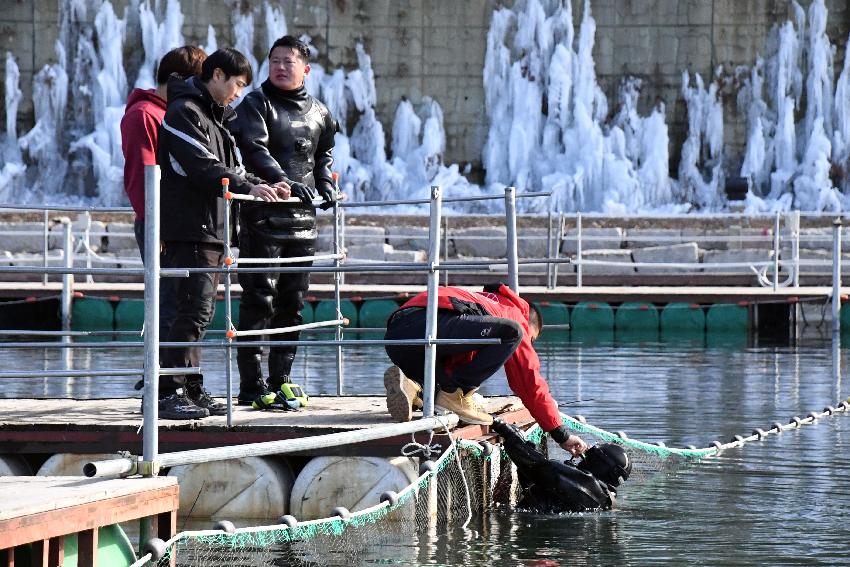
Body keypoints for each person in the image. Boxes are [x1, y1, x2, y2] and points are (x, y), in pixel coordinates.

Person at [156, 48, 286, 420]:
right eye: (236, 84)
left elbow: (230, 168)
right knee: (190, 310)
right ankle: (170, 390)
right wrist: (249, 185)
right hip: (189, 229)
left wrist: (264, 184)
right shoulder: (184, 113)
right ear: (216, 75)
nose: (238, 94)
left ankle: (191, 386)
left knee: (200, 312)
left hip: (209, 229)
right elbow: (203, 167)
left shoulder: (213, 117)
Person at [228, 35, 337, 410]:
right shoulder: (255, 104)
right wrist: (285, 183)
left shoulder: (320, 111)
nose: (279, 66)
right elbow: (254, 150)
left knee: (293, 301)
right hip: (264, 216)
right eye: (274, 60)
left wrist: (324, 185)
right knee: (259, 298)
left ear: (305, 69)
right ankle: (252, 384)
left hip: (304, 219)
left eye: (288, 61)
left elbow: (323, 155)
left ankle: (282, 379)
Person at [383, 283, 588, 457]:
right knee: (511, 333)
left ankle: (413, 389)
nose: (528, 345)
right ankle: (458, 394)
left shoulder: (482, 303)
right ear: (530, 323)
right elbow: (528, 380)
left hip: (397, 335)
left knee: (442, 380)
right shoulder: (515, 314)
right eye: (531, 340)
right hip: (430, 325)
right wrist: (560, 433)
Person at [120, 45, 206, 343]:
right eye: (197, 82)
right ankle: (159, 381)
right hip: (160, 224)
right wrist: (155, 225)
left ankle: (172, 379)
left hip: (176, 223)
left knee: (183, 303)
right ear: (177, 79)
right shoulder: (145, 114)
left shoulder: (171, 113)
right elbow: (141, 177)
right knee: (168, 303)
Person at [492, 418, 631, 512]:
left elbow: (537, 467)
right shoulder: (604, 498)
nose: (584, 456)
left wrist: (505, 430)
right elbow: (537, 479)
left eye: (591, 455)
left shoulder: (588, 483)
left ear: (600, 464)